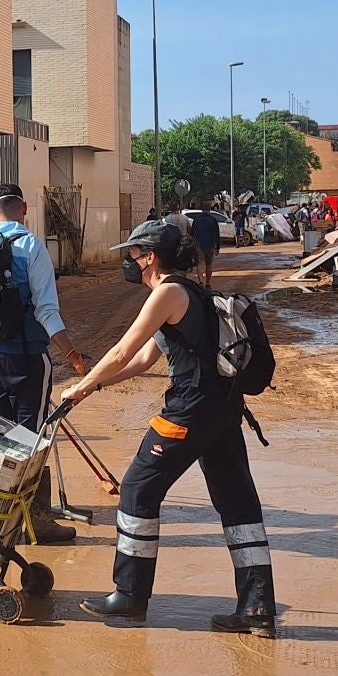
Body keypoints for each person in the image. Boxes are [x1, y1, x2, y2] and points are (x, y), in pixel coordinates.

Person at [57, 218, 277, 635]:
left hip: (189, 411)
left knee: (138, 490)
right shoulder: (193, 293)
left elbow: (124, 350)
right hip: (225, 410)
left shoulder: (168, 291)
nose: (129, 262)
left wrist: (80, 387)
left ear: (150, 257)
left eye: (132, 255)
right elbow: (143, 361)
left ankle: (130, 596)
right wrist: (96, 386)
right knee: (239, 505)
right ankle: (257, 607)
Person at [0, 183, 82, 544]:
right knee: (31, 442)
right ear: (24, 210)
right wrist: (72, 355)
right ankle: (36, 524)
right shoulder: (31, 246)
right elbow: (47, 310)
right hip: (26, 359)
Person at [189, 205, 222, 290]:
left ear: (202, 210)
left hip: (199, 244)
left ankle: (200, 282)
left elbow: (192, 233)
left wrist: (192, 244)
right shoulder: (213, 220)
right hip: (210, 244)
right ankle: (208, 283)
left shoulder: (197, 219)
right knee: (209, 264)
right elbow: (217, 234)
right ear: (210, 210)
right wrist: (217, 247)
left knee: (199, 263)